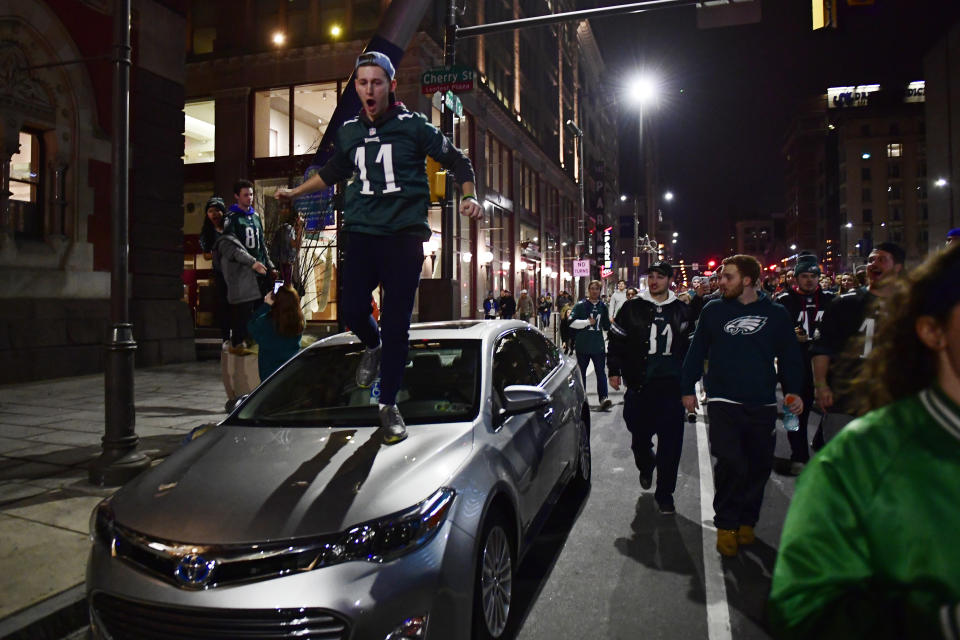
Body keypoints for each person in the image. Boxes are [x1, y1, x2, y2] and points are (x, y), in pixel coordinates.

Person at [275, 51, 483, 443]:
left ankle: (388, 405)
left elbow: (459, 162)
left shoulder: (415, 126)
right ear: (356, 87)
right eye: (362, 83)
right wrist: (295, 193)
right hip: (362, 233)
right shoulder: (350, 131)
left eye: (376, 82)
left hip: (403, 236)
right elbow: (333, 173)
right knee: (353, 308)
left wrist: (472, 197)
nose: (369, 90)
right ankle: (373, 345)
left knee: (398, 322)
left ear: (391, 85)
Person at [768, 242, 960, 639]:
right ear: (931, 330)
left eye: (882, 260)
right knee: (797, 421)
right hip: (829, 392)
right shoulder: (857, 458)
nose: (873, 266)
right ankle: (799, 453)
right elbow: (803, 607)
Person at [681, 255, 804, 557]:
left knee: (758, 466)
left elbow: (790, 357)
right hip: (723, 399)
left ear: (748, 280)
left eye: (728, 277)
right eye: (722, 277)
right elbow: (696, 351)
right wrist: (687, 389)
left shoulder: (775, 314)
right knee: (730, 462)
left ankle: (748, 520)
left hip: (761, 401)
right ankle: (726, 524)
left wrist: (795, 392)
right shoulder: (713, 310)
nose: (720, 282)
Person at [608, 261, 692, 514]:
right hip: (640, 384)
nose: (654, 281)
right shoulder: (631, 308)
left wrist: (690, 385)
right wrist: (614, 370)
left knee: (671, 443)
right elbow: (616, 340)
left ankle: (665, 494)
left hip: (671, 387)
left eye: (660, 277)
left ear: (670, 280)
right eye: (651, 276)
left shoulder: (682, 310)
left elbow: (691, 350)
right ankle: (646, 464)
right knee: (638, 436)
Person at [811, 242, 905, 442]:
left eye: (882, 259)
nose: (873, 264)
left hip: (888, 400)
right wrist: (820, 386)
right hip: (845, 397)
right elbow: (822, 348)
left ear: (898, 267)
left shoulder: (909, 306)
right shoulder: (845, 303)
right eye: (871, 260)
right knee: (841, 461)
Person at [775, 254, 835, 473]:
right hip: (794, 365)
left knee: (831, 409)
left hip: (826, 366)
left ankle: (819, 442)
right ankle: (798, 454)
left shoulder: (831, 300)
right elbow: (775, 334)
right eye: (805, 276)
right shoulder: (784, 301)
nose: (809, 280)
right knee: (794, 411)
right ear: (796, 278)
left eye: (813, 276)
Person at [215, 206, 270, 354]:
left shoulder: (235, 239)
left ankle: (246, 347)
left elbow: (261, 246)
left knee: (251, 319)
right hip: (239, 289)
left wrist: (267, 265)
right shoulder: (225, 242)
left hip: (246, 287)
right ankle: (240, 350)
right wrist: (254, 263)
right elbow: (237, 253)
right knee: (242, 323)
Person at [224, 179, 277, 298]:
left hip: (261, 272)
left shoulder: (256, 216)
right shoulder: (231, 218)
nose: (250, 198)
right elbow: (233, 248)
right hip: (244, 273)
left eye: (251, 194)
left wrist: (270, 265)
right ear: (237, 196)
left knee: (266, 303)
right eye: (246, 195)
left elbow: (262, 244)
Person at [570, 280, 612, 410]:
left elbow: (606, 326)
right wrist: (587, 322)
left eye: (597, 289)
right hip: (582, 345)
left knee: (601, 372)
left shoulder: (603, 307)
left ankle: (603, 398)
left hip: (598, 345)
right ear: (589, 290)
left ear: (600, 291)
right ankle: (582, 399)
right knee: (581, 374)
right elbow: (571, 322)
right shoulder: (580, 305)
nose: (594, 291)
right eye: (592, 288)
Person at [246, 285, 304, 381]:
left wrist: (266, 305)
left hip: (269, 373)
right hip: (291, 369)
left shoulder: (265, 322)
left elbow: (251, 325)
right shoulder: (299, 321)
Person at [200, 196, 230, 343]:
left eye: (217, 210)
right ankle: (226, 337)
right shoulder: (207, 232)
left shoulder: (231, 227)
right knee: (224, 306)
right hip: (220, 273)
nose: (214, 214)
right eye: (211, 211)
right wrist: (216, 251)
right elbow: (205, 255)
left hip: (236, 272)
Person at [271, 202, 303, 286]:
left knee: (279, 291)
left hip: (279, 267)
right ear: (296, 218)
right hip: (284, 267)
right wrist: (300, 228)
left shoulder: (283, 228)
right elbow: (296, 246)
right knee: (285, 293)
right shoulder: (288, 229)